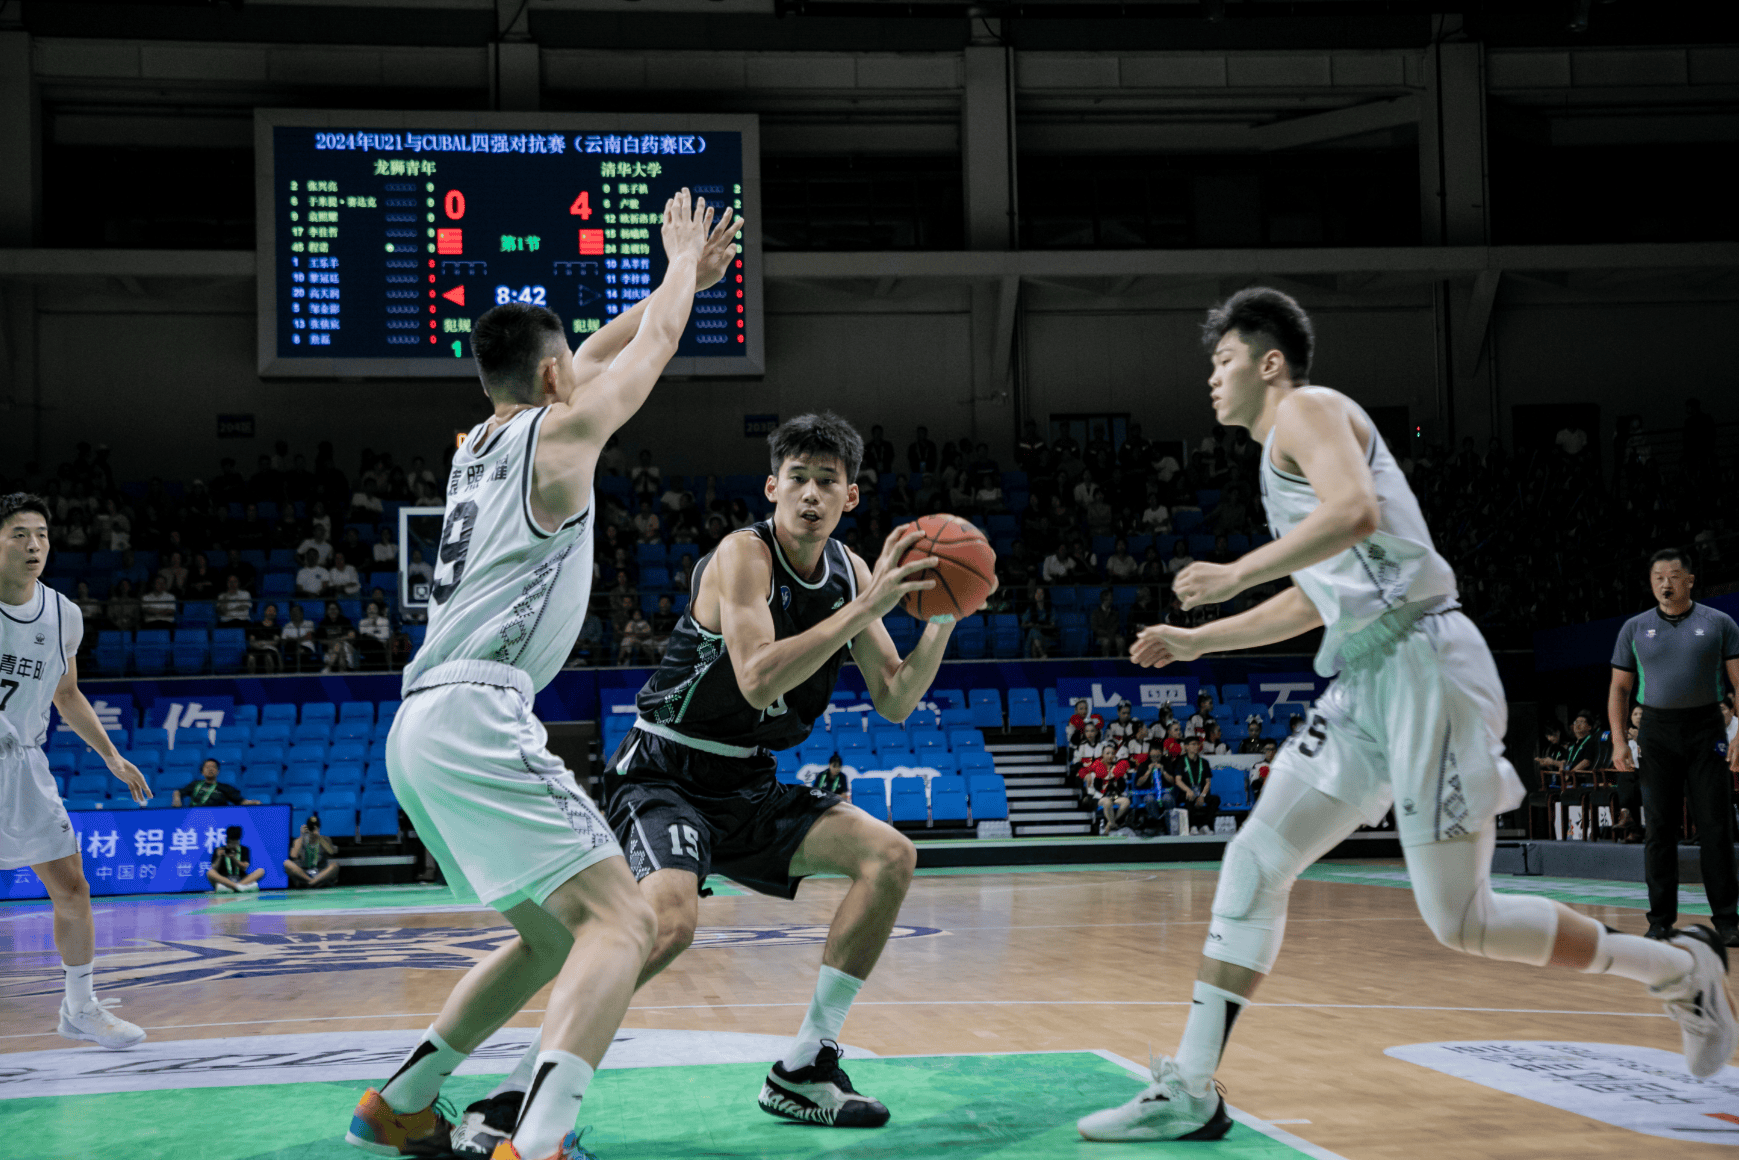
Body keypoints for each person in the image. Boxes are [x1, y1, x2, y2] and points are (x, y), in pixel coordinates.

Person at [1077, 287, 1731, 1142]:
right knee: (1254, 860)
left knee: (1464, 922)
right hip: (1367, 675)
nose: (1210, 376)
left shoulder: (1305, 410)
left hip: (1424, 666)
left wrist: (1233, 574)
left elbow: (1358, 514)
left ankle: (1678, 969)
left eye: (1223, 359)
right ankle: (1191, 1087)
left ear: (1269, 363)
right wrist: (1204, 643)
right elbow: (1319, 599)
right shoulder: (1279, 457)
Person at [349, 191, 742, 1160]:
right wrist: (680, 272)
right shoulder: (560, 437)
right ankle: (542, 1135)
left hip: (421, 723)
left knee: (551, 937)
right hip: (480, 712)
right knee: (626, 920)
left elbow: (594, 354)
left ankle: (402, 1100)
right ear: (554, 372)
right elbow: (639, 356)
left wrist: (673, 283)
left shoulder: (476, 442)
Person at [590, 410, 968, 1132]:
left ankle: (806, 1065)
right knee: (669, 924)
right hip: (663, 771)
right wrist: (868, 605)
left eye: (828, 482)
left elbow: (893, 698)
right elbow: (758, 679)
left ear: (849, 497)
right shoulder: (743, 555)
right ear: (772, 486)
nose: (811, 494)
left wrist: (943, 618)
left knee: (890, 856)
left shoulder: (852, 569)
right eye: (797, 478)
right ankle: (536, 1077)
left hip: (747, 781)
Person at [0, 493, 152, 1050]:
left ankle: (80, 1008)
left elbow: (67, 693)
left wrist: (110, 754)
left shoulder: (63, 613)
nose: (34, 544)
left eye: (40, 534)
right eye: (19, 534)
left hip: (23, 768)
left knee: (71, 888)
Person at [1608, 548, 1739, 943]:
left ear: (1690, 580)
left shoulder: (1719, 623)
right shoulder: (1634, 628)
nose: (1666, 583)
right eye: (1658, 577)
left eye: (1674, 576)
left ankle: (1728, 922)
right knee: (1659, 829)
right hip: (1657, 731)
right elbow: (1619, 687)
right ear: (1651, 584)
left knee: (1716, 827)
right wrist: (1618, 741)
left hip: (1706, 730)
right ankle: (1659, 921)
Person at [1164, 734, 1219, 834]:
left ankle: (1205, 825)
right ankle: (1192, 826)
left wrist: (1202, 795)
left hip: (1201, 793)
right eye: (1193, 744)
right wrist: (1189, 790)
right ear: (1186, 747)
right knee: (1188, 797)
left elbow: (1208, 782)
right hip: (1186, 793)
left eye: (1197, 744)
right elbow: (1178, 780)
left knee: (1215, 799)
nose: (1196, 746)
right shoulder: (1180, 761)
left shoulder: (1204, 762)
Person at [172, 758, 260, 807]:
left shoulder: (225, 788)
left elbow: (240, 801)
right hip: (194, 816)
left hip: (217, 818)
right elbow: (178, 792)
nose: (210, 769)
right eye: (207, 767)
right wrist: (176, 799)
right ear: (202, 772)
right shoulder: (195, 784)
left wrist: (253, 802)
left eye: (213, 767)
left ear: (218, 771)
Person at [283, 814, 339, 888]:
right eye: (311, 827)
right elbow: (293, 855)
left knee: (335, 865)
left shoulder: (325, 839)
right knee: (287, 863)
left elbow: (331, 852)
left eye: (316, 827)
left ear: (319, 827)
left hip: (320, 873)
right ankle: (311, 881)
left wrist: (319, 837)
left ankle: (312, 883)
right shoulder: (299, 840)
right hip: (304, 873)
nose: (313, 829)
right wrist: (301, 836)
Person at [207, 824, 265, 893]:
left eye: (235, 842)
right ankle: (238, 887)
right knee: (210, 872)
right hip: (225, 880)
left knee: (261, 871)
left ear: (238, 841)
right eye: (231, 842)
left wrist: (233, 858)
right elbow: (214, 868)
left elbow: (244, 867)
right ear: (227, 840)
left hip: (241, 879)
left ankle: (233, 888)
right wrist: (219, 857)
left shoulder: (244, 849)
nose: (233, 844)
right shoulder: (220, 850)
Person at [247, 603, 284, 674]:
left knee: (268, 657)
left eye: (273, 611)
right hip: (256, 649)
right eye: (269, 610)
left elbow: (275, 642)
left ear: (276, 613)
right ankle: (251, 678)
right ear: (264, 611)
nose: (271, 612)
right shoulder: (255, 625)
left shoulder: (277, 627)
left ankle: (270, 679)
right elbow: (252, 641)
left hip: (270, 650)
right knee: (251, 658)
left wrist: (263, 643)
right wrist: (260, 646)